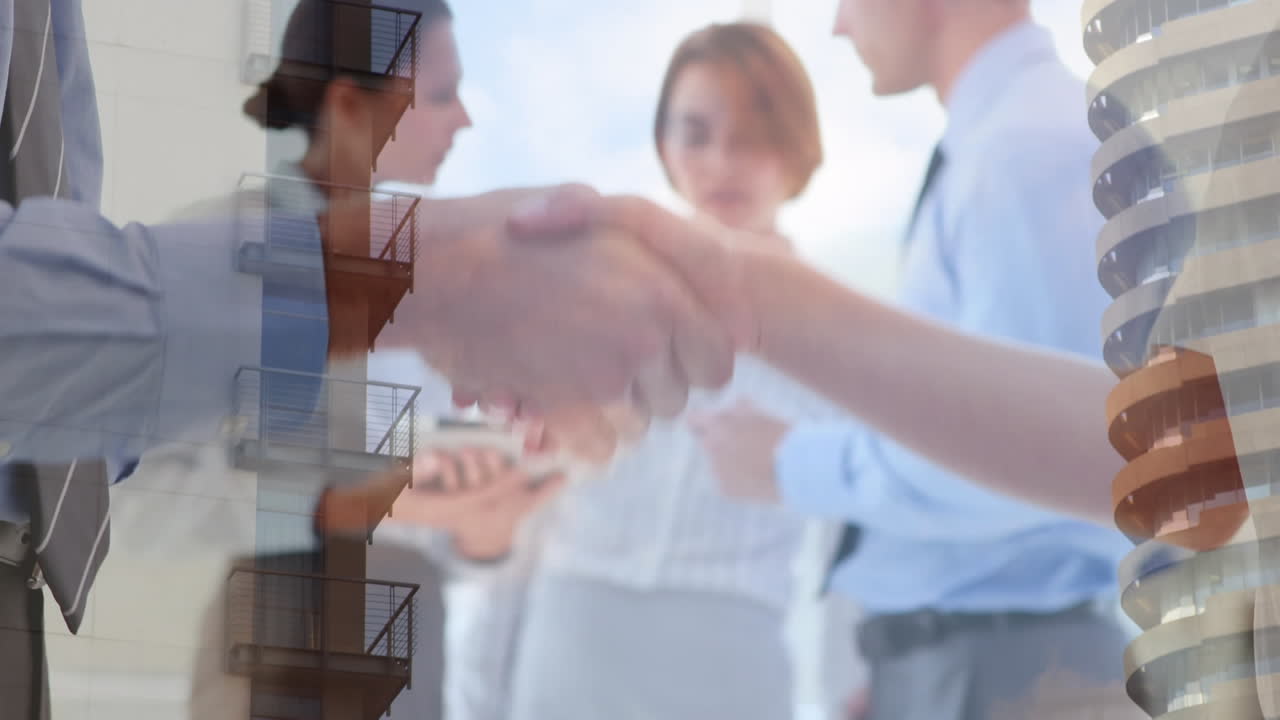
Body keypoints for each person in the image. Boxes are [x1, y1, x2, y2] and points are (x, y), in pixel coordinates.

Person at [0, 1, 736, 718]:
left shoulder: (431, 285)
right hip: (278, 646)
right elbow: (123, 491)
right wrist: (341, 507)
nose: (465, 118)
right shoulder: (238, 245)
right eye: (440, 95)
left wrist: (484, 529)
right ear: (352, 106)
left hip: (407, 636)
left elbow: (447, 509)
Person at [513, 2, 1140, 718]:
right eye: (695, 132)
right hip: (935, 662)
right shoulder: (996, 150)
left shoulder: (1022, 148)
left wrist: (790, 463)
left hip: (982, 664)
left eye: (753, 135)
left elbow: (1052, 447)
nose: (839, 24)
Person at [429, 23, 845, 720]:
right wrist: (476, 703)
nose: (722, 162)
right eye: (696, 133)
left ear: (799, 144)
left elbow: (850, 556)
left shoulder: (835, 331)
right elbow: (525, 516)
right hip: (569, 649)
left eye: (752, 135)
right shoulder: (591, 297)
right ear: (663, 144)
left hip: (731, 669)